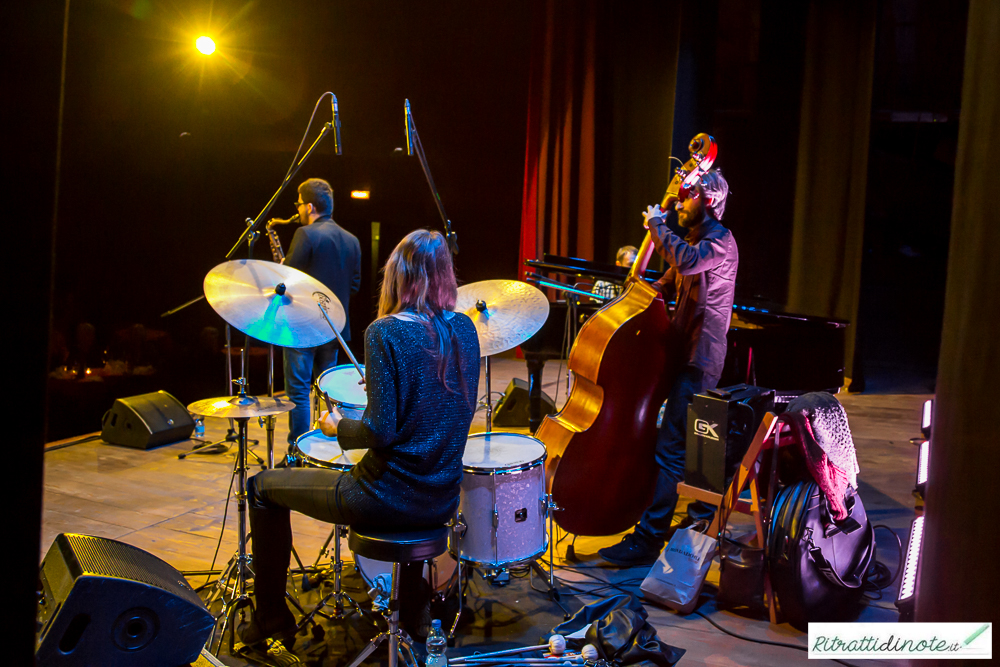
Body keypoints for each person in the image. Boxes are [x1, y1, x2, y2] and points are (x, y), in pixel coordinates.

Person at [240, 229, 480, 654]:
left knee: (261, 487)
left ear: (397, 276)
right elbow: (446, 404)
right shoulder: (464, 329)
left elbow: (378, 432)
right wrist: (387, 389)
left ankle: (271, 618)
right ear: (446, 275)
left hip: (383, 498)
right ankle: (413, 609)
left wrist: (337, 427)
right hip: (440, 498)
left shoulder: (384, 331)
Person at [598, 169, 738, 567]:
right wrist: (634, 294)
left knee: (672, 449)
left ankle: (648, 539)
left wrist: (657, 225)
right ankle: (657, 528)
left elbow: (688, 261)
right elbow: (668, 282)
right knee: (675, 448)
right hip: (681, 355)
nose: (679, 203)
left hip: (700, 360)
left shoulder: (719, 243)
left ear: (708, 201)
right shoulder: (693, 241)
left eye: (687, 196)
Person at [278, 178, 362, 454]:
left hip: (303, 328)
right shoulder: (352, 240)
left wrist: (280, 268)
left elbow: (286, 281)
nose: (298, 210)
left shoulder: (306, 234)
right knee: (327, 391)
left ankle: (298, 452)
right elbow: (354, 286)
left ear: (310, 206)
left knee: (299, 391)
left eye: (299, 204)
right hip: (335, 329)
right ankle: (327, 451)